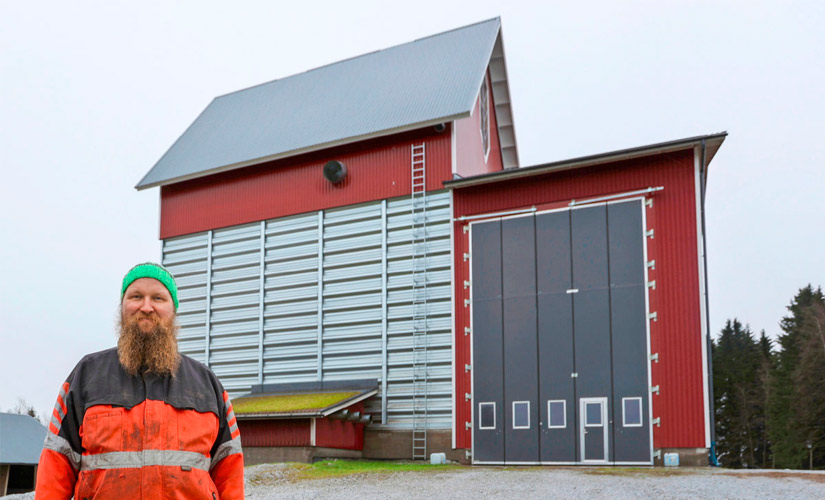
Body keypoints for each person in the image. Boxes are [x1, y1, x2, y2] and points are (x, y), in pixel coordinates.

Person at [35, 263, 244, 499]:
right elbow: (55, 466)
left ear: (173, 310)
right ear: (122, 307)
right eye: (136, 296)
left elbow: (230, 473)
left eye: (158, 298)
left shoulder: (206, 384)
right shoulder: (87, 375)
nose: (146, 307)